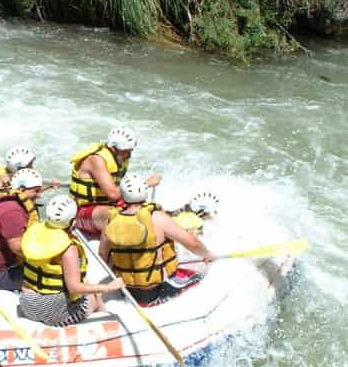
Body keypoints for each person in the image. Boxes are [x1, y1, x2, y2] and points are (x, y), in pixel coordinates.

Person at [99, 175, 216, 306]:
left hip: (126, 290)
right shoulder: (157, 217)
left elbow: (103, 255)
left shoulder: (111, 220)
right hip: (155, 292)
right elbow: (193, 244)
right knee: (201, 273)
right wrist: (208, 255)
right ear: (145, 192)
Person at [18, 195, 124, 327]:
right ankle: (107, 326)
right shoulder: (68, 249)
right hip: (51, 310)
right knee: (94, 295)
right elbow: (74, 288)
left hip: (27, 302)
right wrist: (108, 287)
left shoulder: (34, 231)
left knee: (86, 285)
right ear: (72, 221)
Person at [68, 126, 160, 238]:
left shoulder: (119, 158)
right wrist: (146, 184)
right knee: (120, 217)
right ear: (113, 149)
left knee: (152, 210)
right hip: (82, 212)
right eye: (126, 152)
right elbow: (113, 194)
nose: (129, 155)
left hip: (106, 206)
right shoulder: (96, 160)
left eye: (131, 151)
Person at [0, 168, 42, 292]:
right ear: (21, 190)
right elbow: (19, 248)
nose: (39, 194)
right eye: (36, 191)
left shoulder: (7, 200)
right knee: (53, 276)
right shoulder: (11, 211)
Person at [0, 145, 60, 209]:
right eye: (30, 165)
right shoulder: (1, 184)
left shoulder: (15, 176)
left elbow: (30, 191)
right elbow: (25, 194)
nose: (32, 168)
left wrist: (50, 185)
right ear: (18, 168)